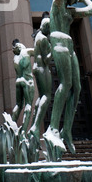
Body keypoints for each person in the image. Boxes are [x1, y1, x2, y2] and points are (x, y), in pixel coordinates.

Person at [44, 0, 92, 155]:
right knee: (66, 84)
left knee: (78, 87)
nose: (74, 1)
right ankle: (52, 128)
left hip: (70, 45)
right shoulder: (57, 5)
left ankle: (66, 130)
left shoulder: (71, 11)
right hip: (58, 42)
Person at [29, 12, 52, 143]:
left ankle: (34, 123)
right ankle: (36, 125)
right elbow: (46, 59)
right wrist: (53, 49)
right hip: (42, 68)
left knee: (41, 96)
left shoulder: (37, 35)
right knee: (46, 96)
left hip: (37, 68)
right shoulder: (43, 39)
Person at [12, 39, 35, 132]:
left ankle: (10, 126)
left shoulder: (15, 58)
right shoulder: (27, 51)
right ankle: (23, 131)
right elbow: (40, 50)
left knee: (18, 105)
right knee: (28, 105)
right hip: (27, 81)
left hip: (18, 81)